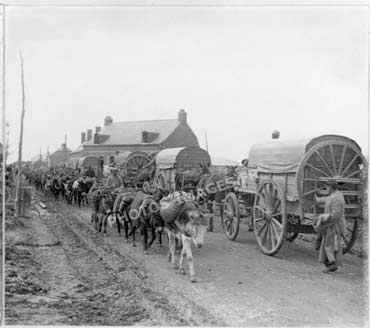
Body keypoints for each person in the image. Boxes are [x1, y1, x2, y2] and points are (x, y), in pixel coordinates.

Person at [314, 180, 346, 273]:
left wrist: (324, 218)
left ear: (331, 187)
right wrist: (318, 199)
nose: (326, 189)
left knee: (331, 245)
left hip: (334, 225)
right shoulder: (336, 195)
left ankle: (332, 265)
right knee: (329, 244)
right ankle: (330, 264)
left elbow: (336, 215)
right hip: (331, 224)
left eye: (327, 187)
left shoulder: (337, 198)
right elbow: (329, 200)